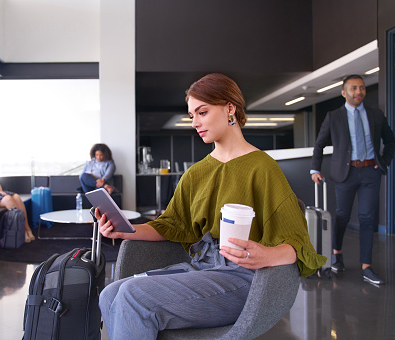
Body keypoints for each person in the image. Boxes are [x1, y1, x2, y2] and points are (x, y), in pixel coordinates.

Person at [96, 73, 326, 340]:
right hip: (201, 268)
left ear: (230, 108)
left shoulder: (262, 168)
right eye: (192, 115)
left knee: (133, 296)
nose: (194, 123)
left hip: (243, 278)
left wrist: (266, 256)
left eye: (202, 112)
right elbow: (172, 225)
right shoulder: (196, 173)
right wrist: (124, 230)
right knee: (110, 294)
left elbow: (298, 243)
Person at [310, 74, 395, 285]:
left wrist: (383, 162)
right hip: (345, 173)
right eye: (354, 88)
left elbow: (390, 139)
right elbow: (319, 144)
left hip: (370, 172)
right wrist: (315, 169)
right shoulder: (334, 116)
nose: (359, 92)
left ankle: (367, 267)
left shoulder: (376, 115)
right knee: (342, 216)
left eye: (362, 88)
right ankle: (337, 253)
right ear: (344, 92)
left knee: (367, 218)